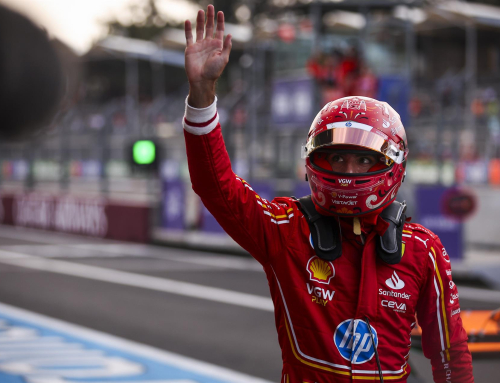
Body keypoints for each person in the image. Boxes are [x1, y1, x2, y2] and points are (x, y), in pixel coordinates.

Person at [183, 5, 473, 382]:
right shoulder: (286, 231)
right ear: (313, 160)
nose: (348, 171)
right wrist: (202, 94)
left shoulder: (423, 251)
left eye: (364, 160)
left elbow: (450, 356)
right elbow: (215, 186)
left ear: (394, 165)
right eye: (336, 157)